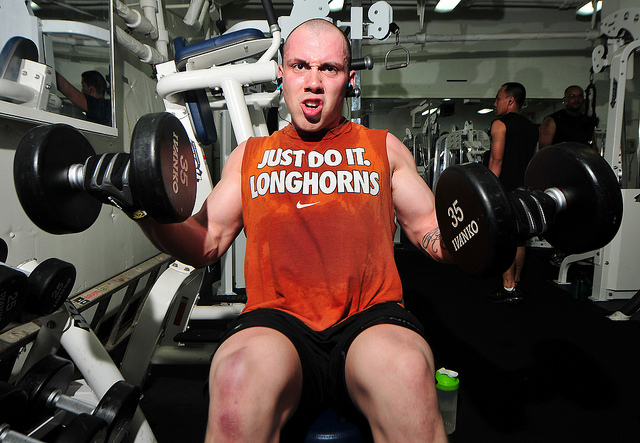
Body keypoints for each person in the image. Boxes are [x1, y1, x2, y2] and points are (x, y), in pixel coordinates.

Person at [136, 19, 451, 442]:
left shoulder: (383, 148)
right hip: (278, 323)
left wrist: (488, 231)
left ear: (349, 79)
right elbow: (206, 241)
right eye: (301, 66)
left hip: (368, 320)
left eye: (329, 69)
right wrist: (144, 211)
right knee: (234, 377)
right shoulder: (251, 155)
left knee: (409, 373)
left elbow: (432, 232)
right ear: (282, 73)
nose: (314, 82)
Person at [487, 82, 538, 304]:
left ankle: (508, 289)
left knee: (505, 239)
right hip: (525, 188)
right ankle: (516, 283)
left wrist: (487, 188)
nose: (495, 103)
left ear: (510, 101)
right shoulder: (531, 127)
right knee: (519, 239)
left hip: (504, 189)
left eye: (498, 98)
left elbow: (496, 160)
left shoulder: (499, 124)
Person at [538, 85, 598, 149]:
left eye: (579, 96)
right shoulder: (553, 120)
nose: (576, 99)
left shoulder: (587, 122)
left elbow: (593, 148)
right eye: (572, 96)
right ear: (565, 99)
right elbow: (544, 150)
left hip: (581, 157)